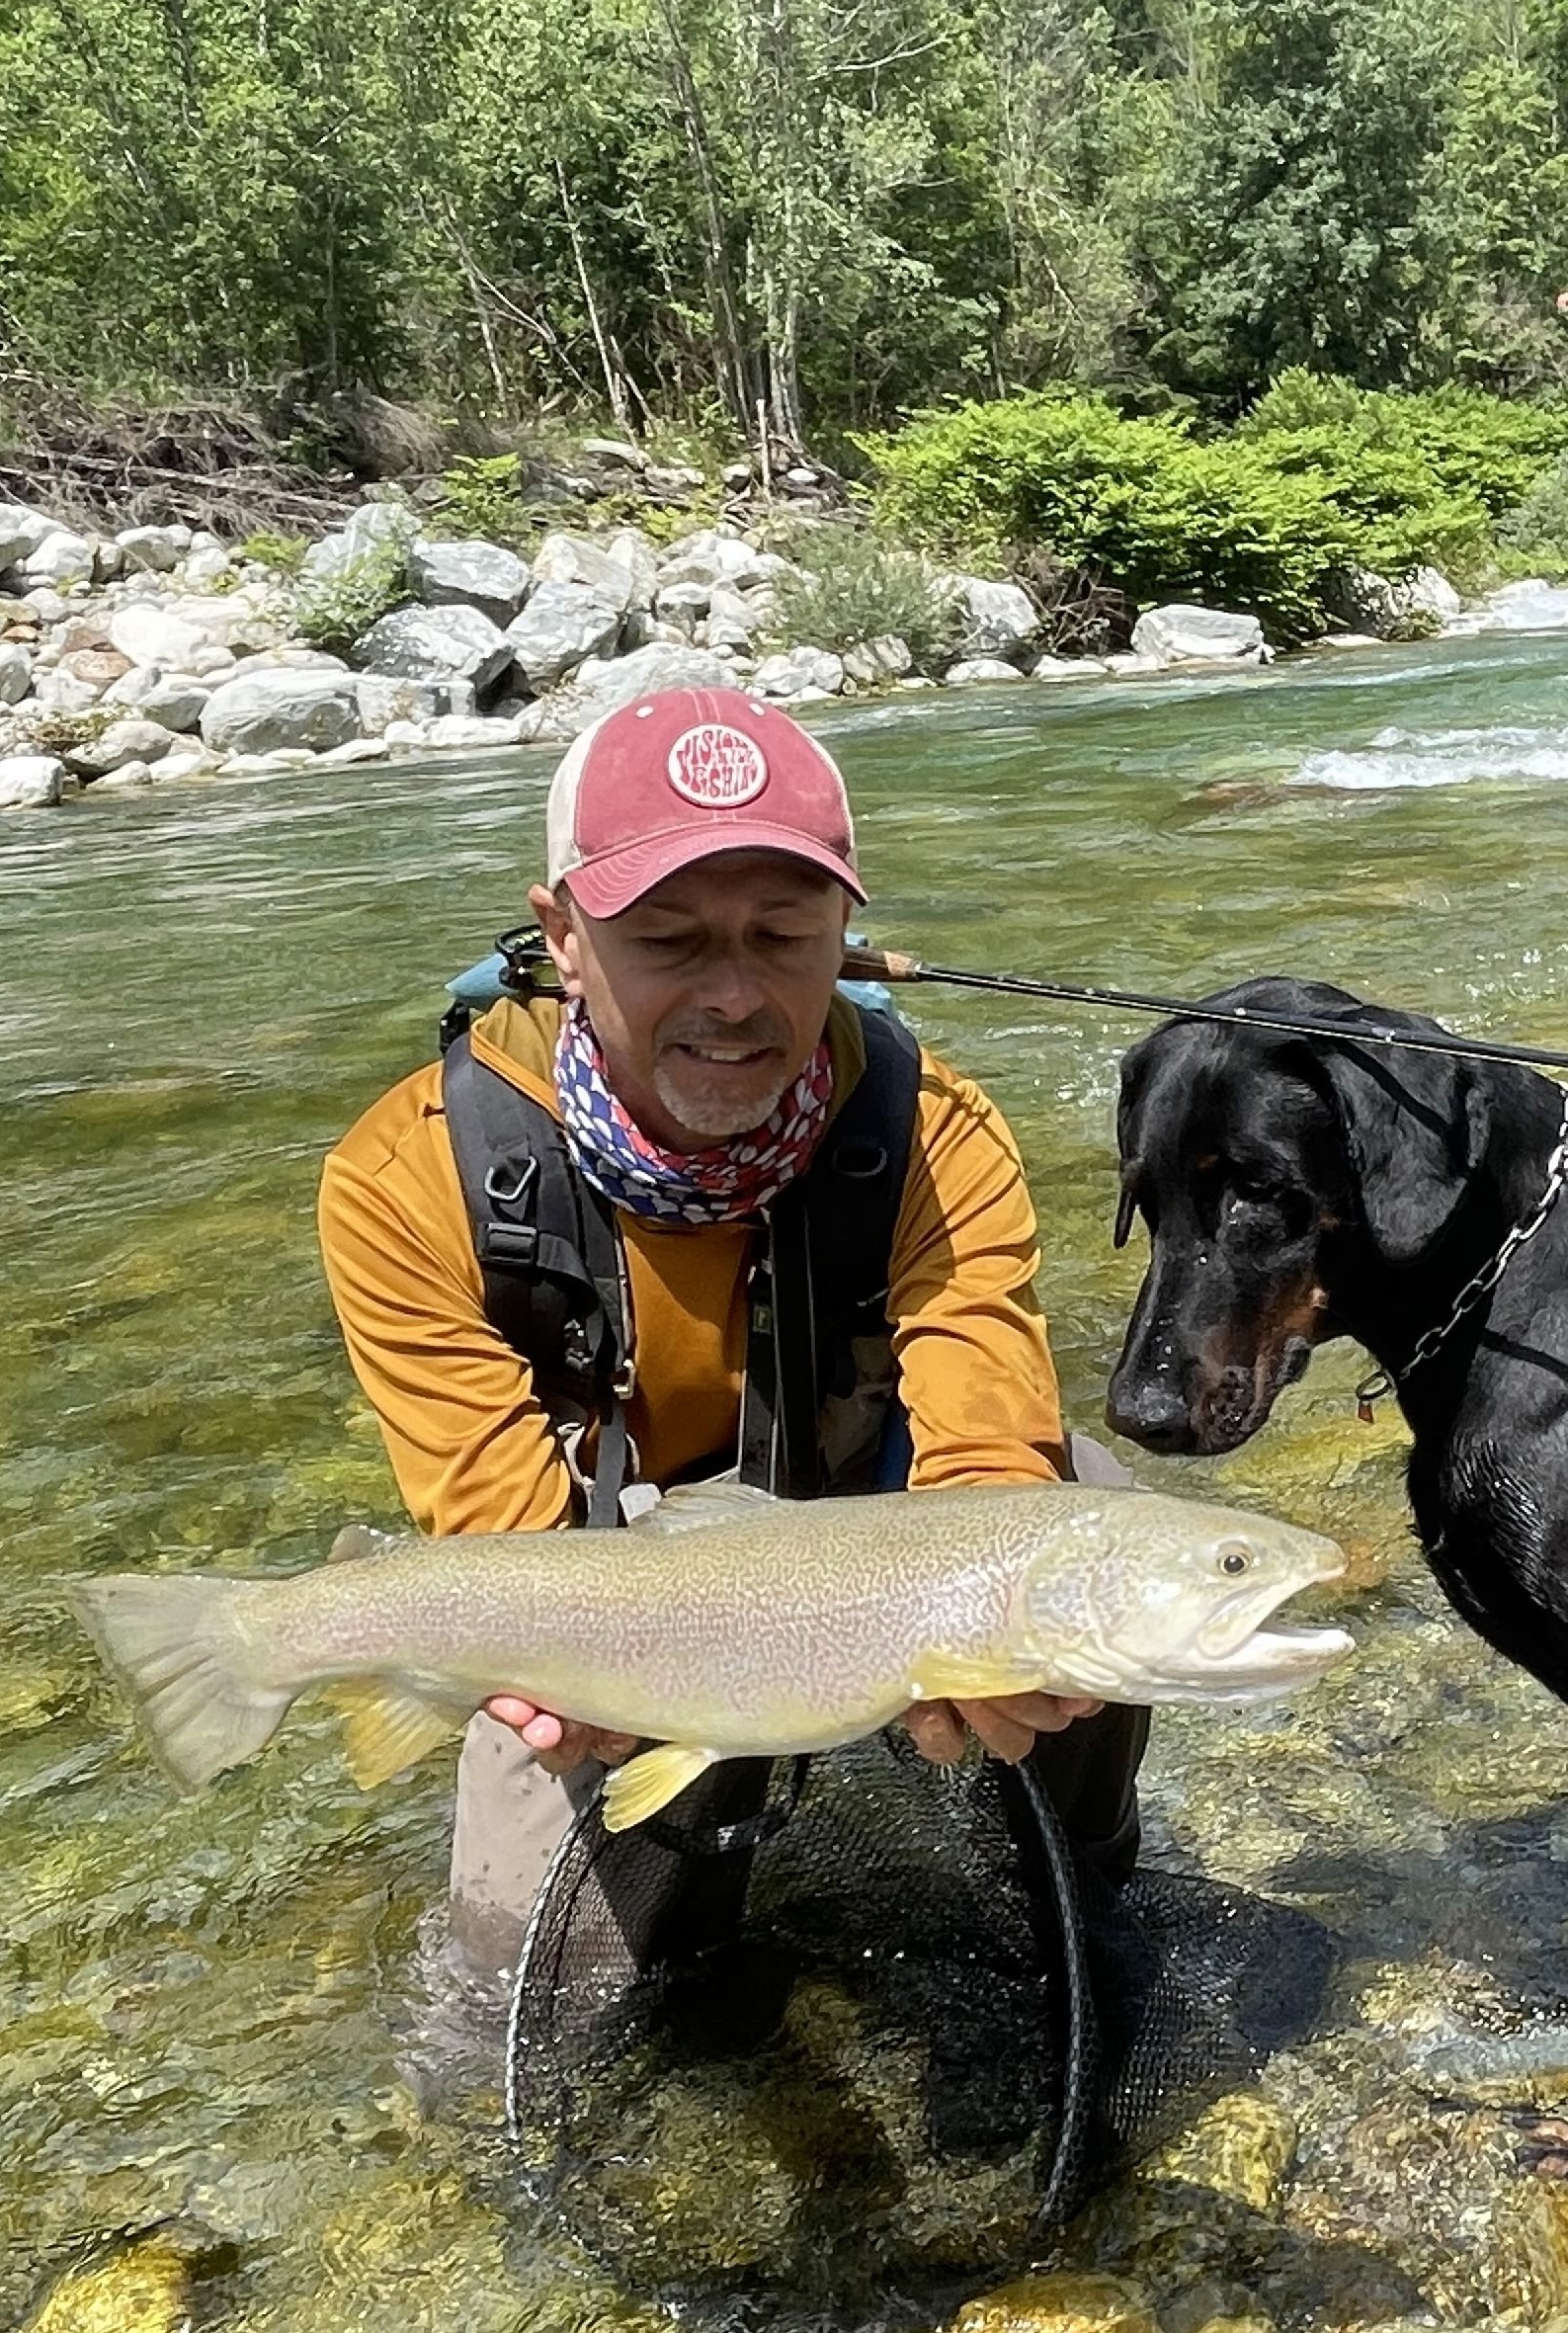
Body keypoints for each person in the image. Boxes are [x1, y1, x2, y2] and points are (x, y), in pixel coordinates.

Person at [317, 682, 1147, 1999]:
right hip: (601, 1572)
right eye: (669, 939)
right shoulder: (406, 1177)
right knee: (534, 1983)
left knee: (1086, 1523)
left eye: (782, 933)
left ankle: (1078, 1893)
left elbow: (991, 1458)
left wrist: (984, 1653)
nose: (736, 995)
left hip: (863, 1526)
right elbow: (505, 1539)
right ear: (565, 936)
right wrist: (576, 1682)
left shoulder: (937, 1131)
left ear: (847, 928)